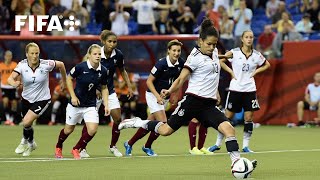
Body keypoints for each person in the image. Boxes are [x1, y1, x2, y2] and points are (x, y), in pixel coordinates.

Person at [118, 19, 257, 169]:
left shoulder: (215, 51)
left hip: (208, 105)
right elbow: (181, 78)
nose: (211, 47)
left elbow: (215, 58)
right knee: (165, 130)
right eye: (208, 44)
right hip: (192, 102)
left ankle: (236, 163)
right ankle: (137, 122)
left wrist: (224, 57)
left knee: (229, 129)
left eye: (214, 44)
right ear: (200, 41)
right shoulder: (194, 57)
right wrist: (170, 91)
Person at [208, 30, 270, 153]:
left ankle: (246, 146)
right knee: (227, 117)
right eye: (246, 37)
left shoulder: (257, 55)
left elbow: (267, 64)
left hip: (250, 89)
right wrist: (231, 72)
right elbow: (221, 61)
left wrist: (256, 71)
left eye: (251, 37)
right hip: (235, 89)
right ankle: (217, 143)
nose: (249, 39)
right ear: (242, 39)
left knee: (249, 117)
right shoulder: (235, 52)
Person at [123, 39, 185, 156]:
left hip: (164, 97)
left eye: (178, 51)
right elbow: (149, 82)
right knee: (163, 123)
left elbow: (179, 81)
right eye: (174, 51)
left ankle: (129, 143)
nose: (176, 53)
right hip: (152, 95)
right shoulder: (161, 64)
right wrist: (157, 96)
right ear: (168, 51)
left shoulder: (181, 63)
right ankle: (147, 146)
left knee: (150, 123)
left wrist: (175, 94)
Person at [80, 30, 134, 158]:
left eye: (115, 42)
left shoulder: (118, 55)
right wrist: (96, 89)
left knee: (117, 118)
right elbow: (85, 70)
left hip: (109, 90)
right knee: (90, 121)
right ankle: (82, 148)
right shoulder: (96, 53)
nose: (112, 44)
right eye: (109, 41)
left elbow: (122, 70)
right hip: (92, 91)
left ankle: (113, 146)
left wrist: (129, 86)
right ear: (103, 42)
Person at [8, 42, 67, 156]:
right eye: (32, 53)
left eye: (37, 53)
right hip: (26, 99)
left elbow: (61, 65)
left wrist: (64, 81)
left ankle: (24, 141)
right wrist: (14, 83)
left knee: (26, 121)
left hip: (42, 99)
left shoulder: (46, 64)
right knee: (27, 125)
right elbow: (10, 78)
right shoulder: (22, 65)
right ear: (27, 54)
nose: (35, 56)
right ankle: (31, 144)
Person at [54, 44, 110, 159]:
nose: (98, 56)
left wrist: (107, 105)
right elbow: (69, 78)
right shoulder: (80, 67)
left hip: (90, 105)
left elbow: (104, 87)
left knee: (93, 129)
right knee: (68, 130)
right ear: (89, 56)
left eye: (99, 54)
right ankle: (58, 146)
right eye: (95, 54)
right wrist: (73, 96)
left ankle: (76, 148)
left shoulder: (103, 71)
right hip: (76, 104)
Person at [0, 50, 18, 125]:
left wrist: (18, 83)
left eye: (10, 56)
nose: (8, 58)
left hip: (12, 86)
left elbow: (18, 75)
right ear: (4, 57)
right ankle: (7, 119)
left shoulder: (15, 65)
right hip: (4, 86)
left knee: (14, 103)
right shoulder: (1, 65)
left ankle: (12, 119)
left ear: (11, 57)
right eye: (7, 56)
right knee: (5, 101)